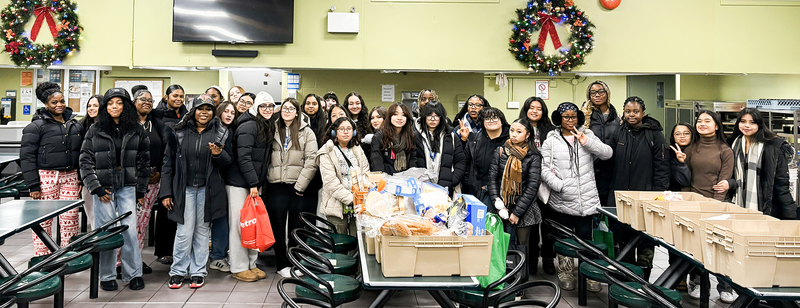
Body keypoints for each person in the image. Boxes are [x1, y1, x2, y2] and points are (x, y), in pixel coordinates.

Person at [80, 88, 150, 291]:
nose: (114, 107)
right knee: (107, 232)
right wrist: (96, 188)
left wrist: (140, 191)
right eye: (110, 103)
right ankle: (107, 275)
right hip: (104, 189)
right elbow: (85, 160)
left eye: (119, 103)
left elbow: (144, 161)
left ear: (126, 106)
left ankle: (133, 274)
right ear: (105, 107)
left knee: (129, 232)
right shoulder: (95, 129)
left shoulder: (136, 129)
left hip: (128, 187)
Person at [161, 95, 232, 289]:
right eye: (201, 109)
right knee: (184, 232)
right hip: (184, 190)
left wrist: (219, 154)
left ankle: (198, 272)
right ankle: (177, 272)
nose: (204, 112)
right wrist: (166, 192)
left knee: (202, 232)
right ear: (193, 111)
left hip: (208, 191)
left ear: (212, 112)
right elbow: (168, 163)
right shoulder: (179, 132)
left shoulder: (222, 132)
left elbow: (228, 163)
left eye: (208, 109)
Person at [540, 102, 612, 291]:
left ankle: (589, 272)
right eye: (566, 117)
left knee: (585, 238)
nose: (570, 120)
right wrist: (559, 186)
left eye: (573, 117)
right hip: (562, 199)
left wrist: (586, 142)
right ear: (559, 119)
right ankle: (565, 271)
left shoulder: (587, 135)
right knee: (564, 238)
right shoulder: (551, 141)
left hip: (586, 200)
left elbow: (607, 154)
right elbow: (544, 169)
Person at [607, 96, 669, 281]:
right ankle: (625, 280)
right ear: (623, 113)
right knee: (622, 239)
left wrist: (658, 195)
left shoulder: (655, 134)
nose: (631, 115)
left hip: (646, 198)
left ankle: (644, 281)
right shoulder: (618, 132)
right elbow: (608, 160)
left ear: (643, 112)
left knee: (644, 241)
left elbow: (662, 166)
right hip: (619, 197)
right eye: (628, 111)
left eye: (635, 111)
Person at [20, 82, 83, 256]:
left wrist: (81, 177)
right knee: (44, 220)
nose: (59, 105)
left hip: (70, 176)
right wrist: (33, 185)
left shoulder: (74, 124)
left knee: (70, 218)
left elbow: (82, 152)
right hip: (45, 177)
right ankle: (43, 258)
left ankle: (68, 256)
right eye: (54, 102)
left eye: (62, 101)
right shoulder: (36, 126)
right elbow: (26, 157)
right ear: (46, 105)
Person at [683, 110, 735, 300]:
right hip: (693, 205)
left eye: (707, 121)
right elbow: (686, 180)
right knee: (695, 248)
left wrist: (714, 208)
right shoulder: (691, 148)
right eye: (699, 121)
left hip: (716, 206)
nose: (702, 124)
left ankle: (725, 288)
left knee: (720, 249)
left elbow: (724, 181)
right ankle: (696, 283)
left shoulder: (725, 150)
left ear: (716, 125)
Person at [114, 89, 164, 277]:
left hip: (151, 181)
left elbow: (164, 148)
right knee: (126, 222)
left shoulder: (157, 124)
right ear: (133, 102)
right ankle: (119, 262)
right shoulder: (124, 123)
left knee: (141, 224)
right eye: (143, 99)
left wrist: (158, 171)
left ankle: (135, 260)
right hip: (127, 180)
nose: (147, 102)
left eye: (150, 100)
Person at [267, 98, 319, 278]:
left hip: (297, 186)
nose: (287, 111)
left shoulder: (307, 132)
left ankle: (296, 261)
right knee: (278, 227)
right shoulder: (272, 128)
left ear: (298, 112)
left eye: (291, 108)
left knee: (296, 227)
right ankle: (281, 263)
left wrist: (301, 185)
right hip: (275, 186)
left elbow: (312, 160)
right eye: (284, 108)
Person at [224, 97, 273, 282]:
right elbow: (243, 158)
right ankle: (238, 266)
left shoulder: (263, 124)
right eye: (263, 105)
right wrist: (253, 183)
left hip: (251, 183)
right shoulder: (249, 126)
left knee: (252, 225)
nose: (267, 109)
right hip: (238, 183)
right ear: (256, 107)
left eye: (270, 106)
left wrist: (256, 183)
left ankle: (251, 264)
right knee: (239, 225)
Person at [488, 118, 542, 279]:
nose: (514, 134)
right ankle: (500, 280)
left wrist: (517, 213)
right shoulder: (500, 151)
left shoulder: (533, 156)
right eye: (512, 130)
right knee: (499, 245)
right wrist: (498, 204)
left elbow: (532, 186)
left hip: (524, 209)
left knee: (521, 247)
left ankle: (519, 284)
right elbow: (492, 179)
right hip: (501, 206)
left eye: (519, 132)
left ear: (527, 135)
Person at [729, 108, 797, 219]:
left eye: (752, 122)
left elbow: (781, 184)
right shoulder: (735, 143)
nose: (746, 125)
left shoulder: (773, 148)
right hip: (740, 203)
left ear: (759, 125)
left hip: (767, 206)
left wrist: (790, 215)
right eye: (743, 121)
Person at [518, 96, 557, 275]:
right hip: (527, 184)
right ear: (526, 110)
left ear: (544, 111)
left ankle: (548, 257)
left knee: (548, 223)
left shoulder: (551, 131)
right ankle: (532, 259)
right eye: (531, 107)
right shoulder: (518, 128)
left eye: (539, 108)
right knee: (531, 224)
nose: (535, 111)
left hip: (547, 184)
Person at [317, 117, 371, 234]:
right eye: (341, 129)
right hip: (336, 205)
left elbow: (366, 172)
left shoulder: (357, 149)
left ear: (354, 132)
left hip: (358, 206)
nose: (346, 132)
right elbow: (331, 183)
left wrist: (361, 198)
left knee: (357, 241)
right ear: (334, 132)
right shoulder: (327, 151)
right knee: (339, 243)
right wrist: (352, 199)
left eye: (349, 129)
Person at [152, 85, 185, 265]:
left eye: (181, 96)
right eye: (175, 96)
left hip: (180, 166)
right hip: (165, 166)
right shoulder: (158, 115)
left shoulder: (186, 114)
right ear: (166, 97)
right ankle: (163, 250)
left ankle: (177, 249)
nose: (178, 99)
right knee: (165, 210)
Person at [207, 101, 240, 273]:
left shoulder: (230, 133)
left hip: (221, 181)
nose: (229, 115)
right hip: (201, 181)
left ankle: (217, 256)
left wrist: (219, 154)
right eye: (226, 111)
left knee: (221, 219)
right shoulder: (208, 129)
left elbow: (229, 161)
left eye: (232, 113)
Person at [580, 81, 619, 207]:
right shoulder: (584, 116)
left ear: (607, 93)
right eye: (593, 93)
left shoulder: (616, 117)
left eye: (600, 91)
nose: (597, 95)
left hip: (611, 167)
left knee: (608, 202)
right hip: (590, 166)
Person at [414, 102, 466, 193]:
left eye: (437, 115)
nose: (432, 119)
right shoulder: (415, 137)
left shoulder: (451, 137)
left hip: (445, 189)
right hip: (420, 188)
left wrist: (451, 181)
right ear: (424, 116)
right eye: (429, 115)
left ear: (442, 118)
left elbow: (460, 162)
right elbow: (411, 162)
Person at [463, 107, 509, 205]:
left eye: (495, 117)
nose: (491, 121)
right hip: (478, 192)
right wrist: (469, 184)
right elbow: (466, 165)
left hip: (504, 193)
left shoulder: (511, 141)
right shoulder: (474, 141)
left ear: (502, 121)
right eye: (487, 118)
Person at [301, 93, 326, 228]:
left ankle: (313, 237)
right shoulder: (298, 122)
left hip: (317, 173)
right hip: (301, 170)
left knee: (314, 207)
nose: (311, 106)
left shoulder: (324, 124)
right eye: (308, 103)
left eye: (314, 104)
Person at [370, 103, 417, 174]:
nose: (399, 118)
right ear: (389, 117)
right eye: (395, 114)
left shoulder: (410, 136)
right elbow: (377, 165)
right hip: (386, 180)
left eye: (403, 115)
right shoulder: (379, 137)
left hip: (406, 180)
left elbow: (413, 162)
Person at [79, 94, 103, 228]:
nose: (91, 108)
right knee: (91, 212)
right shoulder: (81, 126)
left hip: (103, 174)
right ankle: (96, 234)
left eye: (95, 105)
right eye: (89, 106)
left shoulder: (108, 126)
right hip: (87, 175)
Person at [668, 123, 694, 192]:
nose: (682, 136)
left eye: (686, 133)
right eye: (677, 134)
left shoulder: (699, 152)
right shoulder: (668, 153)